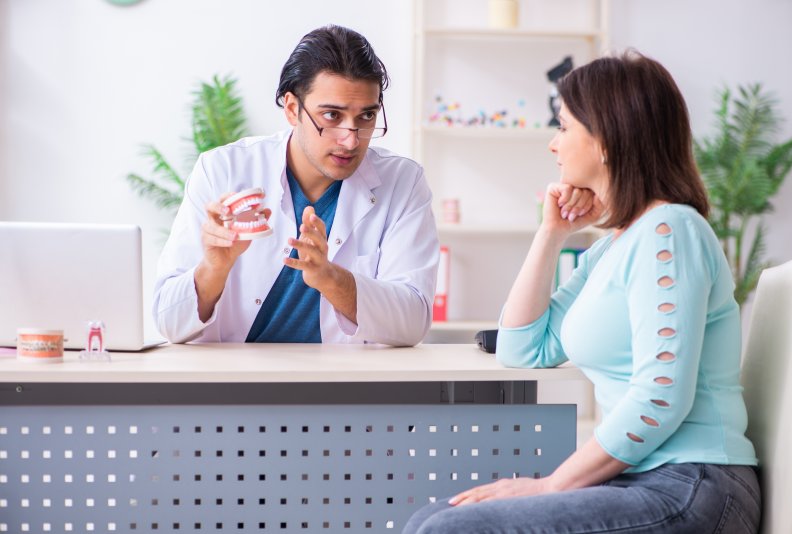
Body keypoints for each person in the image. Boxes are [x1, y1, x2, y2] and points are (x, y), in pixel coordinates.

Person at [403, 51, 760, 533]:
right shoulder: (617, 244)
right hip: (642, 478)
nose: (553, 144)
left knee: (449, 529)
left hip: (693, 483)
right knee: (435, 518)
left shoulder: (669, 232)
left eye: (564, 127)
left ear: (608, 140)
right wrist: (552, 234)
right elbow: (521, 349)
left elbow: (660, 398)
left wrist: (551, 484)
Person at [153, 25, 439, 346]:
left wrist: (331, 279)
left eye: (367, 116)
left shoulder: (403, 182)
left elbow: (413, 321)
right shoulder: (224, 170)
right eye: (332, 115)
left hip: (342, 387)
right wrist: (213, 269)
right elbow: (168, 320)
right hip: (235, 384)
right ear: (292, 109)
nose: (351, 138)